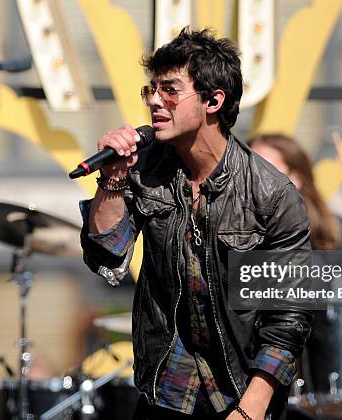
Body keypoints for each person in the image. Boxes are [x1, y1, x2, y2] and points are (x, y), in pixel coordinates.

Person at [80, 28, 313, 420]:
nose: (155, 101)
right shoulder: (145, 168)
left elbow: (289, 318)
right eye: (151, 90)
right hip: (166, 390)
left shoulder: (271, 194)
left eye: (170, 90)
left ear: (213, 100)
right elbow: (106, 255)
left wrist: (250, 410)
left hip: (239, 394)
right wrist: (114, 177)